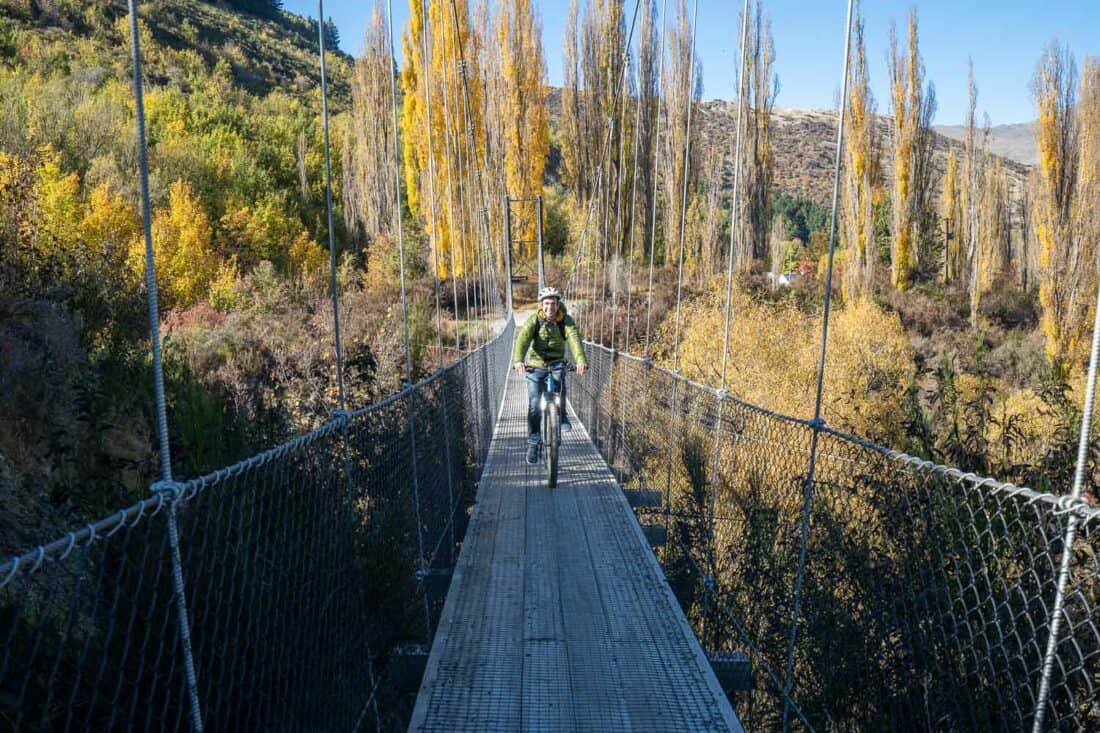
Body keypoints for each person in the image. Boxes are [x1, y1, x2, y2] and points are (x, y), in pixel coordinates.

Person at [512, 286, 587, 465]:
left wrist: (580, 360)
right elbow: (522, 340)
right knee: (534, 404)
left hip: (556, 363)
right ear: (541, 305)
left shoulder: (565, 321)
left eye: (553, 303)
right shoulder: (534, 320)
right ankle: (533, 441)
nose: (549, 308)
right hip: (535, 365)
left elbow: (574, 339)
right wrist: (518, 360)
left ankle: (561, 415)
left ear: (558, 304)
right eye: (546, 304)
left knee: (559, 380)